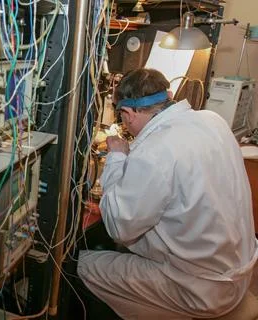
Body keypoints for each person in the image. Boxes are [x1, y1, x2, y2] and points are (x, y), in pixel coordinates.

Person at [77, 68, 258, 319]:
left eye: (123, 117)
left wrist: (118, 155)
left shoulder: (155, 150)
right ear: (169, 95)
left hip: (202, 289)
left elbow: (118, 226)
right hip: (240, 272)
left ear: (127, 114)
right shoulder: (212, 120)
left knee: (82, 265)